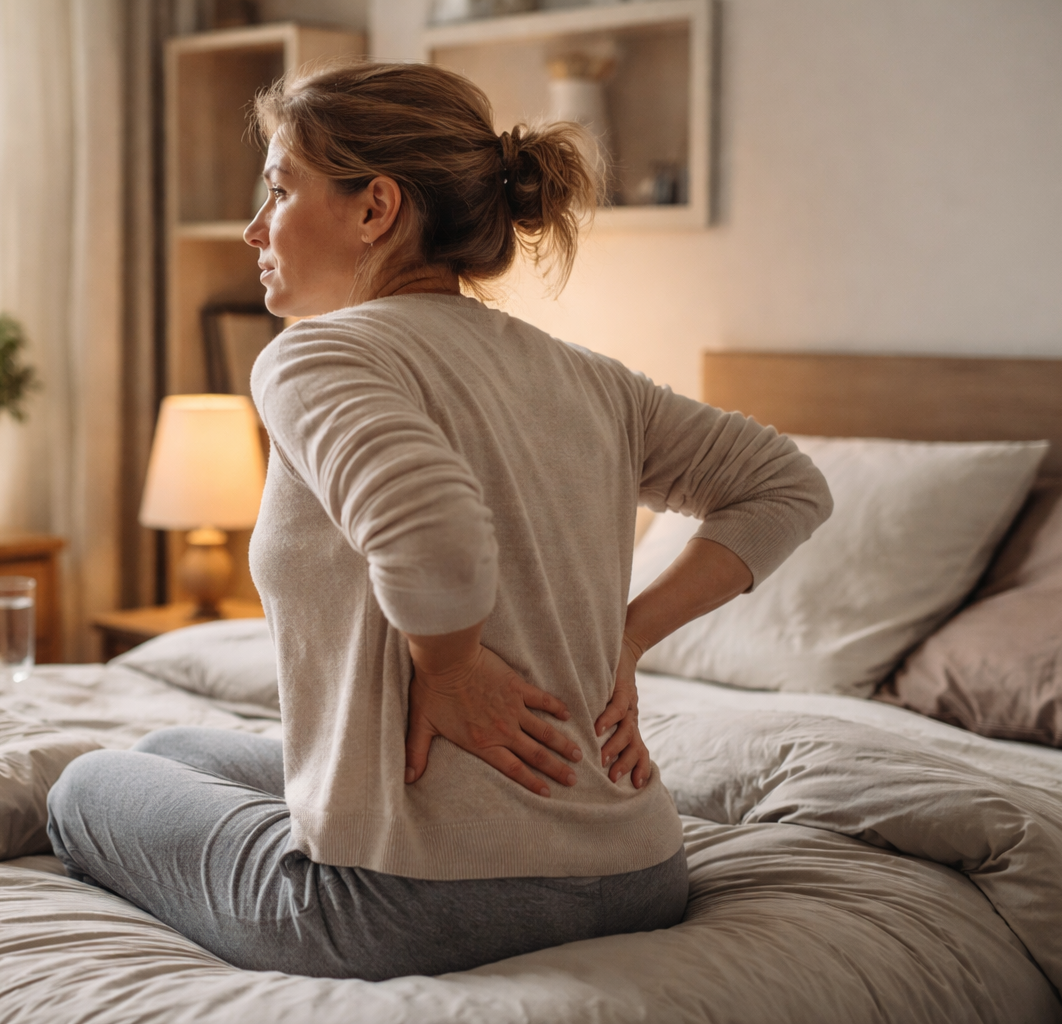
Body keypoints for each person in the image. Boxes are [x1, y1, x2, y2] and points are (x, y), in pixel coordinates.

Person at [48, 59, 832, 981]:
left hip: (420, 901)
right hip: (641, 870)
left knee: (83, 787)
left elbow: (432, 528)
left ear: (376, 208)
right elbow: (787, 486)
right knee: (172, 749)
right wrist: (626, 637)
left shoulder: (316, 358)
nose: (256, 229)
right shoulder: (586, 375)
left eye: (279, 190)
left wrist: (451, 665)